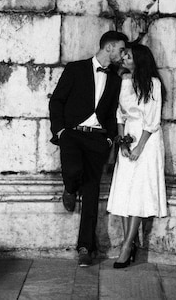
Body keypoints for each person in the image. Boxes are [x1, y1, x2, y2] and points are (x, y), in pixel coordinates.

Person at [49, 30, 128, 267]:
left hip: (98, 140)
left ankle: (86, 247)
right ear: (109, 47)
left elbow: (115, 112)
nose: (122, 54)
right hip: (72, 135)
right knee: (72, 171)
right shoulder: (76, 69)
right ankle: (70, 189)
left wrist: (109, 139)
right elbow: (57, 100)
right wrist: (60, 131)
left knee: (92, 194)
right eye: (121, 49)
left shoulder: (115, 79)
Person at [107, 42, 167, 269]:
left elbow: (152, 120)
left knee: (139, 192)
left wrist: (140, 147)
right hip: (128, 137)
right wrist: (122, 143)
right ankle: (129, 244)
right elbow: (119, 115)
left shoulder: (153, 84)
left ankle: (126, 245)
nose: (123, 59)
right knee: (124, 192)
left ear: (139, 60)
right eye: (123, 56)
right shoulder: (123, 81)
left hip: (147, 140)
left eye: (128, 56)